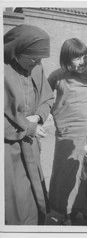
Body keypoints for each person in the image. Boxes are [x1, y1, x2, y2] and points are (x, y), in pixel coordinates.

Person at [46, 38, 87, 225]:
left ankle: (81, 211)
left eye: (85, 56)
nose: (83, 61)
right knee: (65, 173)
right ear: (66, 59)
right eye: (77, 58)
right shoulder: (57, 76)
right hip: (66, 133)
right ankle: (63, 213)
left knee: (86, 172)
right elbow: (44, 99)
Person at [4, 24, 54, 225]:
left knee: (34, 199)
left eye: (41, 60)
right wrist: (29, 127)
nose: (37, 63)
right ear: (17, 51)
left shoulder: (37, 68)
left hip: (30, 146)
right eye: (33, 58)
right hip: (8, 152)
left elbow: (48, 98)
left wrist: (40, 116)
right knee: (13, 204)